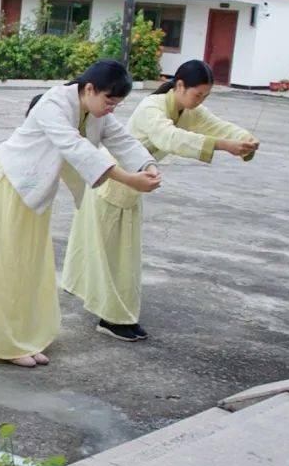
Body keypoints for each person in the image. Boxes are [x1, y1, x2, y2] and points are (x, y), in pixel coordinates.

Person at [0, 60, 160, 368]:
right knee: (1, 263)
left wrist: (147, 166)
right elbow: (74, 147)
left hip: (31, 191)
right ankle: (1, 342)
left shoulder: (95, 111)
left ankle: (20, 337)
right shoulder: (54, 102)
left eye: (117, 103)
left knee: (26, 266)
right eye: (109, 100)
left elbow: (122, 139)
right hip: (3, 183)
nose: (112, 108)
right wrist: (128, 179)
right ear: (89, 89)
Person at [61, 60, 259, 341]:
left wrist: (245, 139)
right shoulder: (151, 108)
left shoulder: (188, 109)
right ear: (179, 85)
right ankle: (112, 317)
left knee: (119, 258)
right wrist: (223, 146)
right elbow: (171, 138)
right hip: (112, 182)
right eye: (197, 94)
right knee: (111, 259)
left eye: (205, 96)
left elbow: (218, 126)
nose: (200, 101)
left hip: (134, 186)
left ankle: (113, 312)